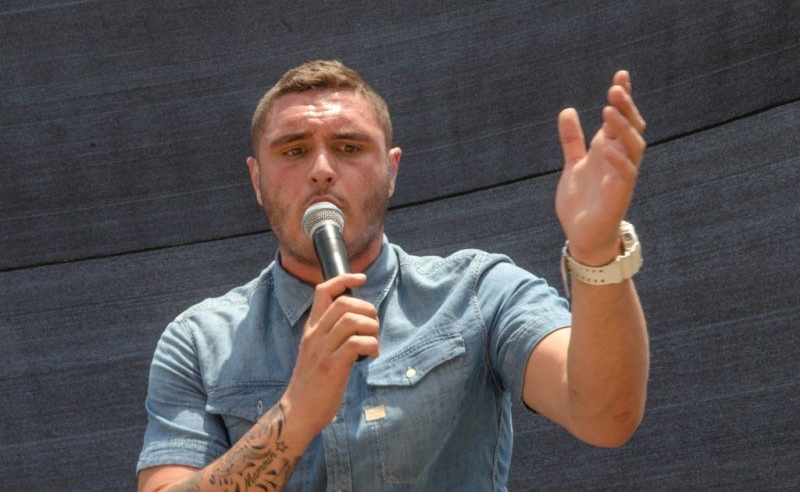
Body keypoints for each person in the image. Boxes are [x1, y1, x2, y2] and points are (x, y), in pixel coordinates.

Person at [137, 59, 649, 491]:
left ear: (392, 170)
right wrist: (297, 412)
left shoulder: (476, 293)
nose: (321, 169)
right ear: (256, 179)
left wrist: (597, 252)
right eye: (293, 150)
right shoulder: (199, 340)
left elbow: (606, 417)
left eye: (349, 147)